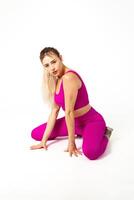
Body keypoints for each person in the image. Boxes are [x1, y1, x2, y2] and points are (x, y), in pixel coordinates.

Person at [30, 47, 113, 160]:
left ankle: (106, 133)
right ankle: (82, 133)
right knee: (36, 134)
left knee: (90, 153)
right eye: (47, 65)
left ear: (61, 58)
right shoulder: (56, 79)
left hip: (91, 121)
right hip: (75, 123)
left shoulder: (69, 78)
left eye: (54, 62)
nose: (52, 68)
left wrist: (71, 142)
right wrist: (43, 141)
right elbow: (54, 111)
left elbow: (69, 112)